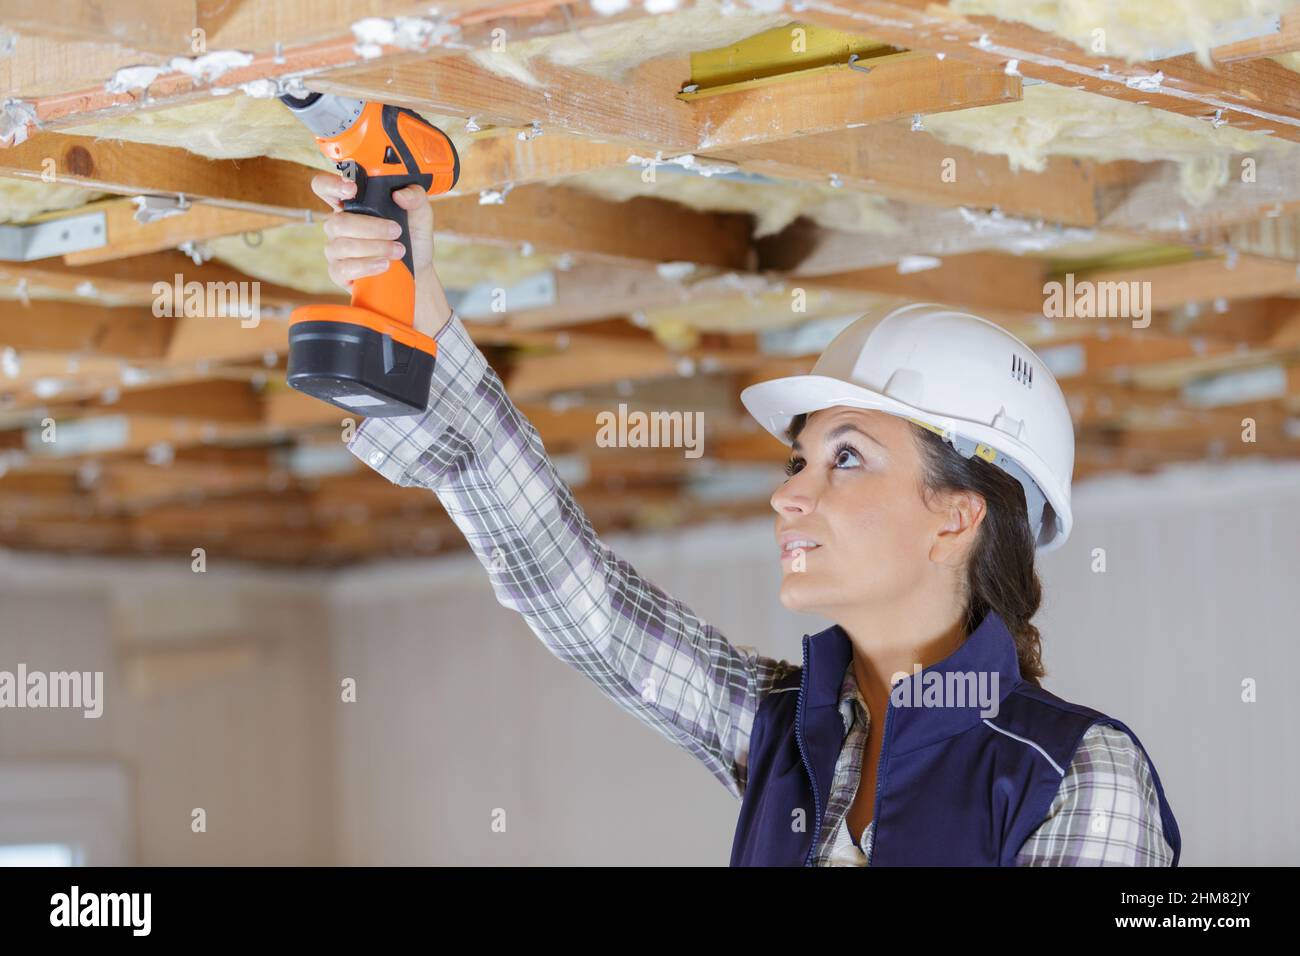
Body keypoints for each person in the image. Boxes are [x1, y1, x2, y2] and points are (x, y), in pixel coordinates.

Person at [310, 172, 1182, 866]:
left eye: (847, 457)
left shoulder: (1078, 775)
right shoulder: (784, 729)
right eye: (798, 459)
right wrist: (422, 322)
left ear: (957, 516)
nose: (787, 494)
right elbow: (585, 605)